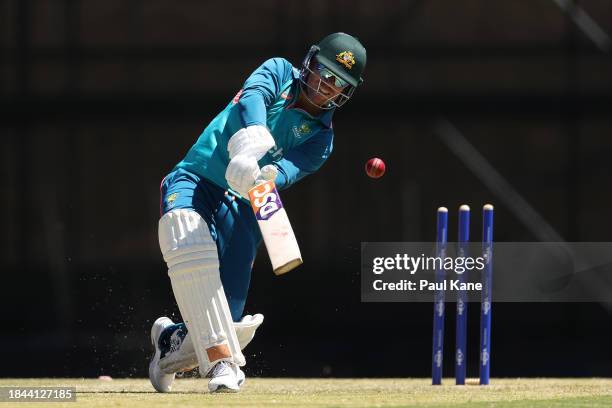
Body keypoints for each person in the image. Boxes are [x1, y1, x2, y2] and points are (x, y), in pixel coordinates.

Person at [149, 32, 366, 393]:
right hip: (197, 176)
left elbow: (285, 173)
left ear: (346, 93)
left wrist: (261, 175)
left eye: (338, 83)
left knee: (227, 320)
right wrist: (253, 139)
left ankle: (171, 344)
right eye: (325, 73)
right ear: (310, 64)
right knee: (183, 231)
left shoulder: (320, 140)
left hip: (245, 203)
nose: (327, 86)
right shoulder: (280, 70)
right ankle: (223, 363)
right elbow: (253, 97)